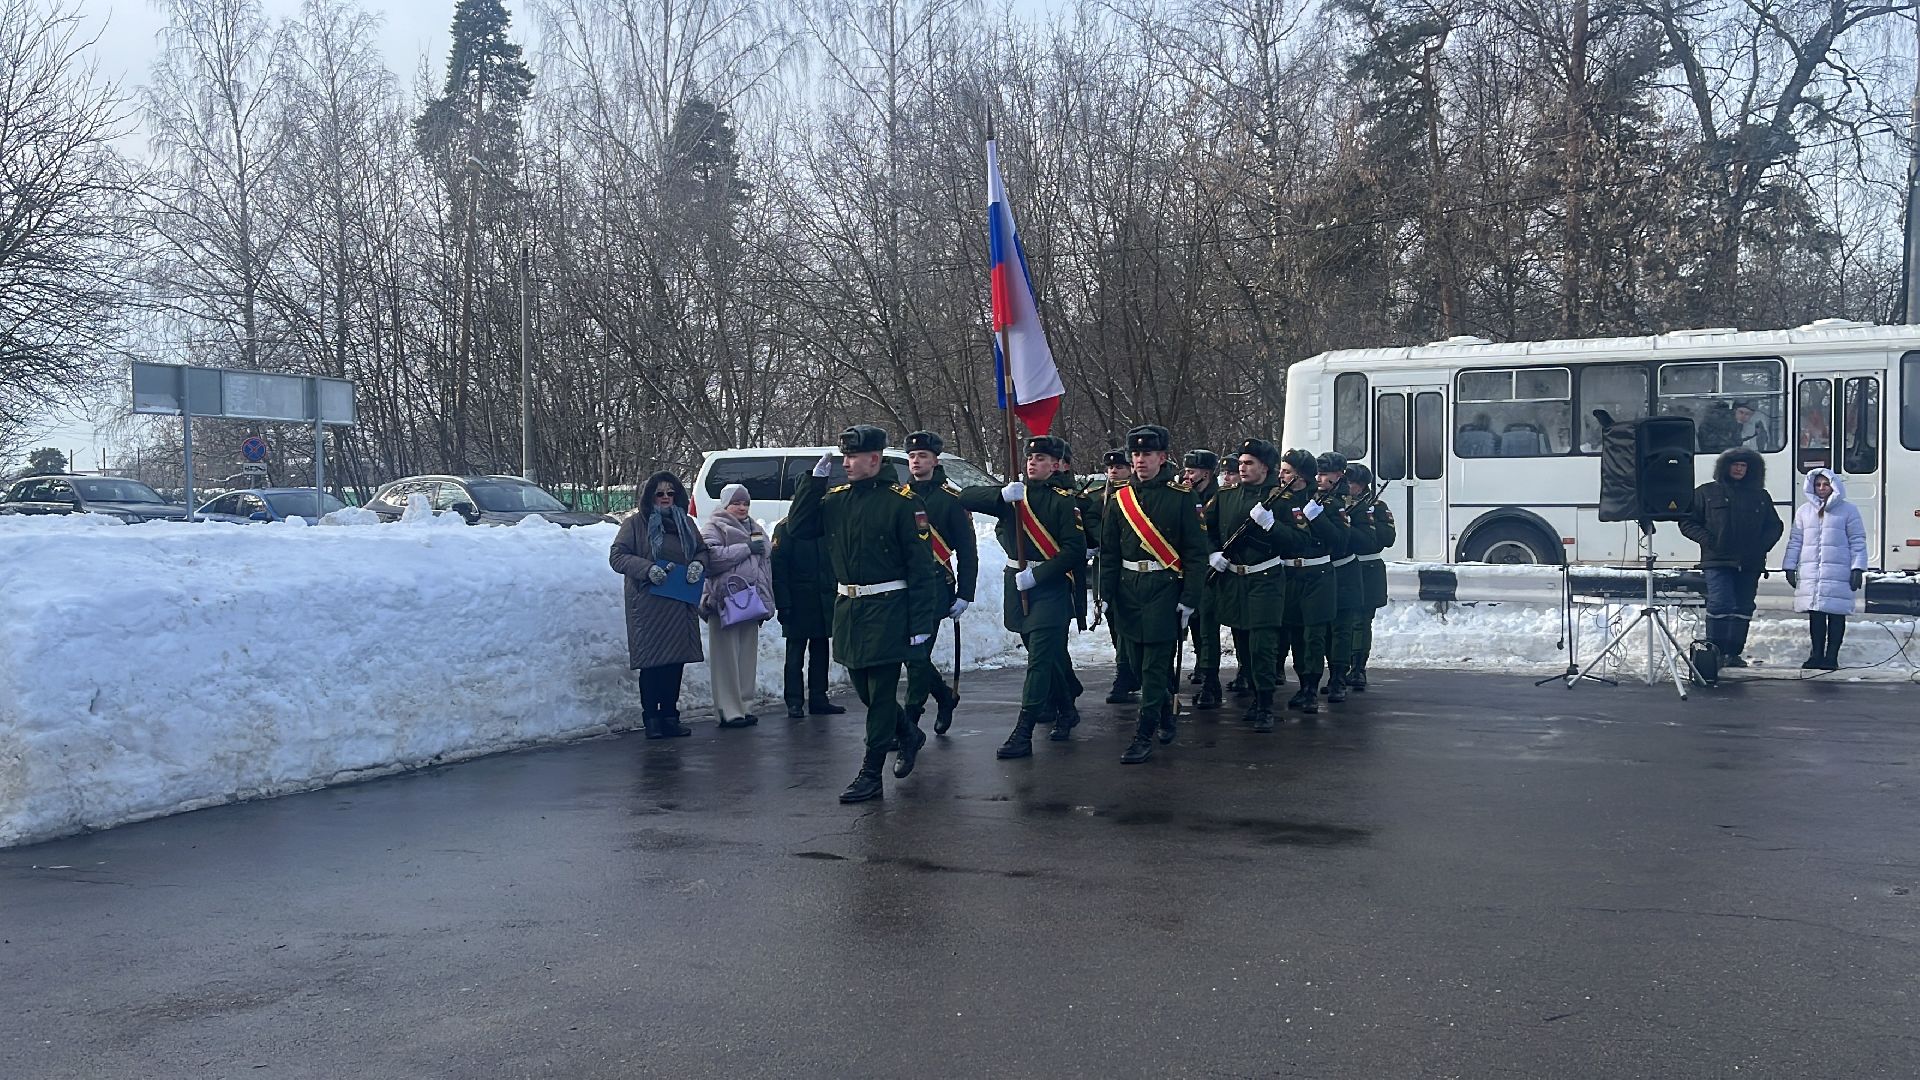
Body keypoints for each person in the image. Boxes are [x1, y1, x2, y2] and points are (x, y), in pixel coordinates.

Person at [785, 425, 946, 803]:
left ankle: (871, 772)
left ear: (874, 459)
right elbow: (799, 527)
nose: (846, 463)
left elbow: (921, 570)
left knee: (882, 691)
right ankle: (908, 732)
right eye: (843, 457)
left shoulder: (903, 503)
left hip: (889, 609)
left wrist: (921, 624)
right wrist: (813, 481)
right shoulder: (837, 499)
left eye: (852, 457)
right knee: (867, 691)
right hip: (849, 609)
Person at [959, 434, 1087, 756]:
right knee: (1048, 654)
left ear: (1056, 465)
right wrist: (1000, 495)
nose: (1033, 463)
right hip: (1017, 583)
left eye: (1042, 459)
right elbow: (966, 498)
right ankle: (1067, 705)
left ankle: (1024, 730)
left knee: (1040, 660)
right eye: (1031, 458)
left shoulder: (1063, 501)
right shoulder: (1015, 497)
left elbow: (1075, 551)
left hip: (1051, 587)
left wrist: (1038, 575)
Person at [1099, 425, 1208, 764]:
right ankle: (1164, 711)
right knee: (1133, 662)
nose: (1140, 460)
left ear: (1162, 458)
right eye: (1136, 455)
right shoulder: (1120, 498)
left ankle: (1142, 734)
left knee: (1153, 668)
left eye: (1147, 454)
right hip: (1128, 592)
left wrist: (1190, 598)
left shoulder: (1181, 496)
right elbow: (1110, 551)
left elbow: (1195, 553)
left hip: (1164, 588)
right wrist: (1105, 593)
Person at [609, 472, 708, 739]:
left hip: (679, 602)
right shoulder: (635, 524)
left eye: (670, 493)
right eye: (659, 493)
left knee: (675, 663)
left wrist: (698, 564)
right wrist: (647, 568)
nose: (665, 498)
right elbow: (617, 556)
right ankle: (652, 718)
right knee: (652, 665)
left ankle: (670, 716)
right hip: (648, 604)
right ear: (648, 496)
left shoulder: (686, 523)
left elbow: (701, 550)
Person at [1204, 439, 1292, 731]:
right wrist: (1212, 552)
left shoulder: (1280, 499)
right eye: (1240, 462)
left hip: (1265, 579)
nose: (1242, 468)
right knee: (1242, 641)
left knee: (1262, 645)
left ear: (1265, 467)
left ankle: (1265, 703)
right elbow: (1206, 529)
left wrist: (1272, 525)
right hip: (1233, 578)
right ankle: (1253, 694)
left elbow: (1300, 542)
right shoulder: (1226, 495)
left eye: (1249, 463)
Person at [1678, 447, 1783, 668]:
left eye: (1744, 466)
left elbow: (1775, 526)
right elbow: (1687, 522)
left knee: (1744, 607)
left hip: (1750, 563)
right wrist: (1709, 540)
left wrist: (1761, 547)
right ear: (1725, 467)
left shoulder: (1760, 496)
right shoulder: (1706, 493)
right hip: (1717, 561)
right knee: (1721, 603)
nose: (1739, 469)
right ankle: (1714, 652)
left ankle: (1733, 654)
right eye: (1735, 465)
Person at [901, 431, 977, 735]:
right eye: (912, 456)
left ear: (935, 460)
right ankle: (944, 696)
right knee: (909, 656)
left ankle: (909, 720)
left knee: (918, 656)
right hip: (903, 587)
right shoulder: (900, 497)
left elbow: (968, 551)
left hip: (934, 587)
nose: (916, 461)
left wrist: (965, 594)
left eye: (922, 456)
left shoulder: (951, 500)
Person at [700, 484, 775, 728]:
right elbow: (710, 559)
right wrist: (745, 548)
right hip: (724, 602)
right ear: (725, 504)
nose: (742, 508)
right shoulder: (713, 526)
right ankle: (727, 709)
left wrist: (766, 602)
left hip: (750, 603)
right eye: (737, 503)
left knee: (745, 657)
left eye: (746, 503)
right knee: (726, 659)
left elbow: (764, 568)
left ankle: (744, 706)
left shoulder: (755, 528)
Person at [1275, 449, 1343, 712]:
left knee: (1314, 634)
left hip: (1318, 575)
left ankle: (1311, 689)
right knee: (1295, 634)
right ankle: (1303, 683)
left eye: (1287, 471)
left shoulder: (1327, 503)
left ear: (1301, 475)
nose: (1281, 475)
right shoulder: (1280, 501)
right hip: (1291, 574)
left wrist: (1318, 518)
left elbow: (1340, 541)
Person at [1783, 468, 1867, 671]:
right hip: (1812, 573)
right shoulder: (1804, 511)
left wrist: (1857, 568)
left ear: (1834, 486)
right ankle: (1816, 655)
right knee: (1816, 616)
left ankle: (1832, 657)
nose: (1821, 488)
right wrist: (1789, 566)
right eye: (1818, 484)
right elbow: (1795, 541)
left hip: (1838, 572)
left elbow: (1857, 540)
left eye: (1826, 484)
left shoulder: (1849, 510)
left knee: (1836, 615)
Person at [771, 516, 844, 719]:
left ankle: (819, 698)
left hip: (823, 599)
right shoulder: (787, 528)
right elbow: (778, 569)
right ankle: (794, 701)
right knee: (795, 655)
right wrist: (783, 603)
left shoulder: (826, 524)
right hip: (798, 601)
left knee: (821, 652)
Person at [1087, 449, 1141, 704]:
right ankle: (1124, 669)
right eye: (1110, 468)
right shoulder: (1098, 498)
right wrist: (1100, 538)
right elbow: (1091, 520)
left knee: (1131, 622)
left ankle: (1131, 671)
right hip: (1107, 566)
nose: (1113, 471)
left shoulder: (1134, 495)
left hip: (1131, 566)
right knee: (1114, 621)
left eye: (1119, 467)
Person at [1316, 452, 1366, 703]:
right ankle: (1331, 672)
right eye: (1318, 473)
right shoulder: (1316, 498)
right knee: (1325, 629)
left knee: (1342, 629)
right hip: (1323, 570)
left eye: (1325, 474)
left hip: (1344, 569)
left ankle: (1339, 677)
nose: (1320, 478)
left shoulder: (1352, 502)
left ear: (1339, 475)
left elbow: (1367, 539)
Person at [1181, 449, 1225, 709]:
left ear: (1206, 474)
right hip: (1189, 569)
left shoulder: (1219, 498)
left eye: (1192, 471)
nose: (1187, 476)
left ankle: (1211, 681)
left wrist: (1211, 553)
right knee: (1195, 623)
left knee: (1208, 626)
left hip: (1210, 572)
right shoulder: (1186, 497)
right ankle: (1201, 665)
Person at [1344, 463, 1394, 691]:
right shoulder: (1339, 506)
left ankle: (1358, 668)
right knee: (1343, 623)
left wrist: (1369, 519)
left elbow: (1387, 538)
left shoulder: (1378, 507)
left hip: (1368, 570)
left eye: (1352, 483)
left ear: (1362, 486)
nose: (1348, 487)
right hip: (1346, 567)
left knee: (1361, 622)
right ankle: (1340, 668)